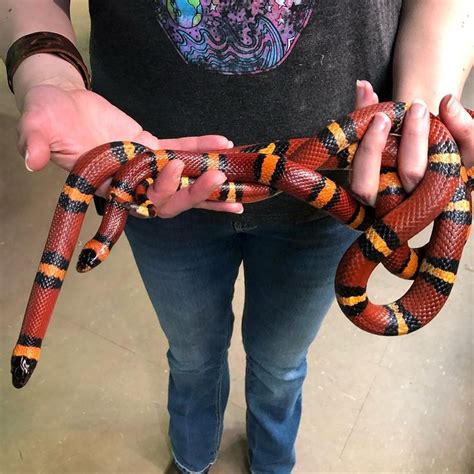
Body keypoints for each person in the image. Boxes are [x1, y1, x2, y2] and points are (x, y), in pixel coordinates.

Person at [1, 1, 472, 472]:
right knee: (190, 358)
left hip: (345, 180)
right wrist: (46, 71)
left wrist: (421, 118)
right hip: (155, 178)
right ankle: (193, 457)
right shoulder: (134, 183)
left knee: (281, 365)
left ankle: (272, 461)